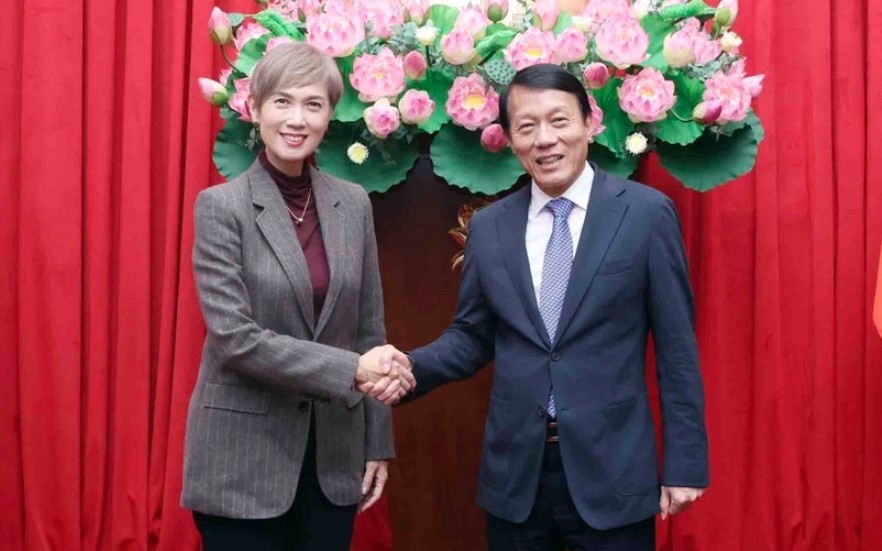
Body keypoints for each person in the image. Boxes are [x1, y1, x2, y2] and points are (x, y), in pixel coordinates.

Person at [398, 64, 709, 550]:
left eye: (559, 120)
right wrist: (408, 367)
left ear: (590, 122)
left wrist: (685, 464)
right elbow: (471, 337)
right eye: (527, 126)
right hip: (516, 477)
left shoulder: (645, 215)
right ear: (509, 139)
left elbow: (676, 349)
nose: (545, 139)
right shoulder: (490, 228)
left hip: (614, 472)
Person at [181, 42, 412, 551]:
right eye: (282, 102)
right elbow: (236, 340)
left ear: (331, 115)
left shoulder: (353, 204)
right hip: (242, 460)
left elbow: (369, 329)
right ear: (255, 109)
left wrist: (376, 441)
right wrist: (350, 371)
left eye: (314, 103)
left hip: (332, 455)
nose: (297, 118)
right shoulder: (221, 207)